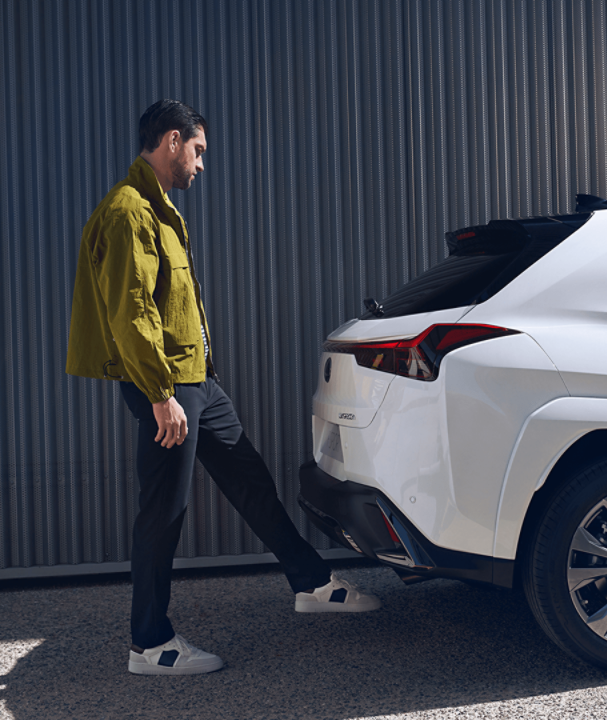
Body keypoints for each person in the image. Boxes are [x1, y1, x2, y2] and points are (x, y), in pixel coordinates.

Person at [66, 99, 379, 676]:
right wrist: (162, 395)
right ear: (170, 141)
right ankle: (150, 643)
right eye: (198, 150)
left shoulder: (159, 210)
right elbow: (130, 314)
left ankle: (310, 583)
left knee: (250, 479)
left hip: (197, 383)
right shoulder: (128, 212)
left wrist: (191, 384)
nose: (201, 164)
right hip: (169, 387)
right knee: (164, 509)